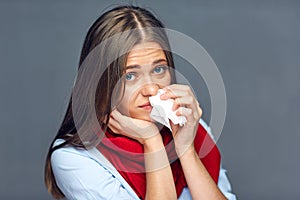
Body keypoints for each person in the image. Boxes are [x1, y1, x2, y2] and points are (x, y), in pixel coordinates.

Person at [44, 5, 237, 200]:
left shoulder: (190, 127)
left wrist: (186, 150)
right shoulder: (75, 157)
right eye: (130, 76)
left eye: (159, 70)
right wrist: (153, 142)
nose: (151, 89)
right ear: (100, 82)